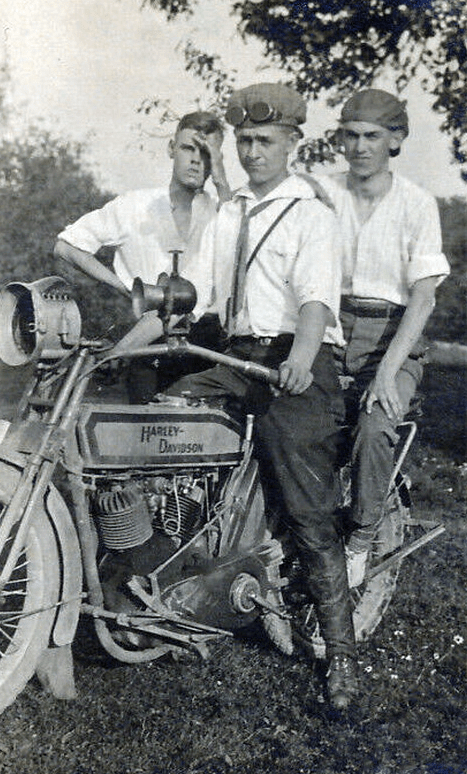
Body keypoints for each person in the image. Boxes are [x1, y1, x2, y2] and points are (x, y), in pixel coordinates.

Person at [163, 83, 358, 710]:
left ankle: (341, 654)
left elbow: (315, 301)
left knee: (307, 509)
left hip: (298, 360)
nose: (252, 152)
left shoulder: (311, 214)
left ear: (293, 143)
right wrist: (140, 330)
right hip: (236, 356)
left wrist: (300, 359)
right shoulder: (230, 213)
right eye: (244, 140)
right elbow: (191, 293)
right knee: (163, 419)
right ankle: (182, 568)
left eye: (265, 140)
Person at [317, 89, 450, 587]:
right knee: (289, 417)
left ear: (395, 140)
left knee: (374, 427)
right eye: (350, 136)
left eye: (372, 136)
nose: (359, 147)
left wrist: (388, 372)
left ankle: (360, 539)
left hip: (393, 335)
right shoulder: (322, 193)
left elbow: (424, 298)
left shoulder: (416, 203)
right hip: (330, 327)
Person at [54, 110, 230, 402]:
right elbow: (66, 246)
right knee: (143, 424)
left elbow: (240, 237)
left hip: (207, 349)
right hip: (148, 348)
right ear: (171, 148)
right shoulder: (135, 206)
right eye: (188, 148)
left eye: (207, 153)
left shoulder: (221, 212)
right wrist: (126, 288)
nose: (196, 160)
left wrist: (222, 183)